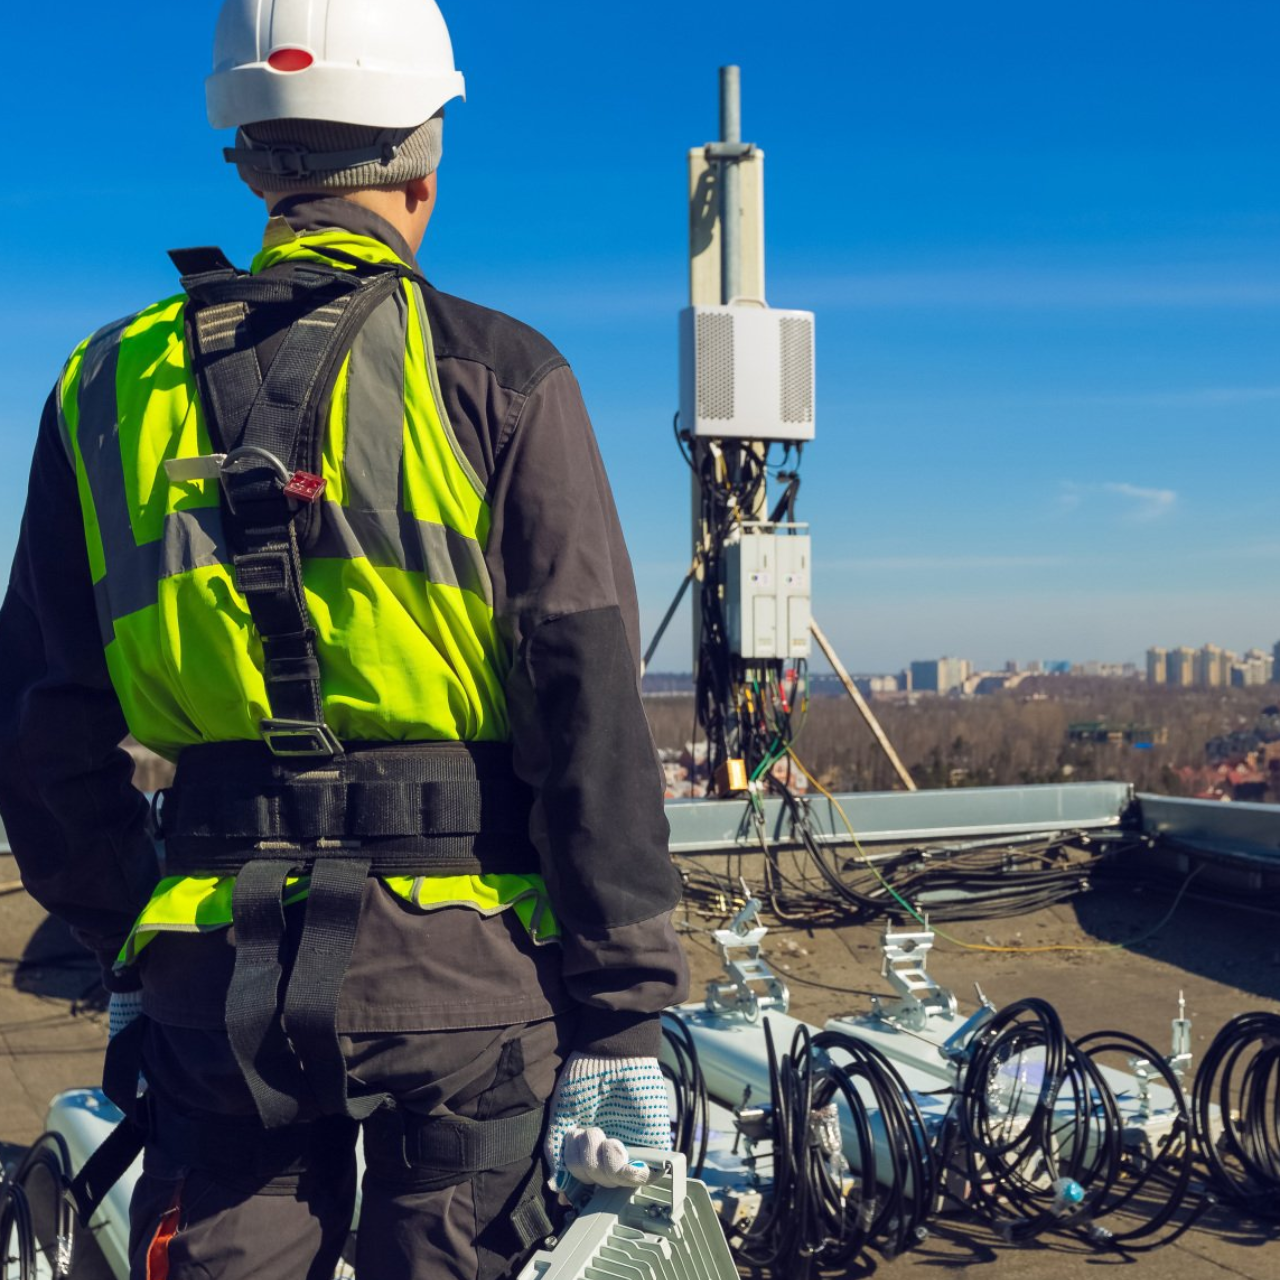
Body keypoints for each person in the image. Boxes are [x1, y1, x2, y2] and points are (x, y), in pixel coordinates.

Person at [0, 1, 688, 1277]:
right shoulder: (498, 371)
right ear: (424, 169)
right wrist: (623, 1014)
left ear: (250, 162)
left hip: (216, 975)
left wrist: (126, 930)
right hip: (464, 973)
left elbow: (41, 725)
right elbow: (586, 704)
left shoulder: (97, 388)